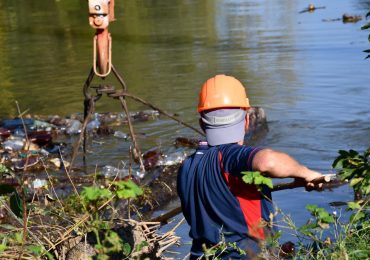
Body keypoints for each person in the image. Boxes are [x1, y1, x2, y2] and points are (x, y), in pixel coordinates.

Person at [177, 74, 324, 259]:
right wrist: (306, 173)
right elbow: (267, 161)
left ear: (202, 124)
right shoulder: (230, 156)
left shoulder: (186, 168)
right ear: (246, 121)